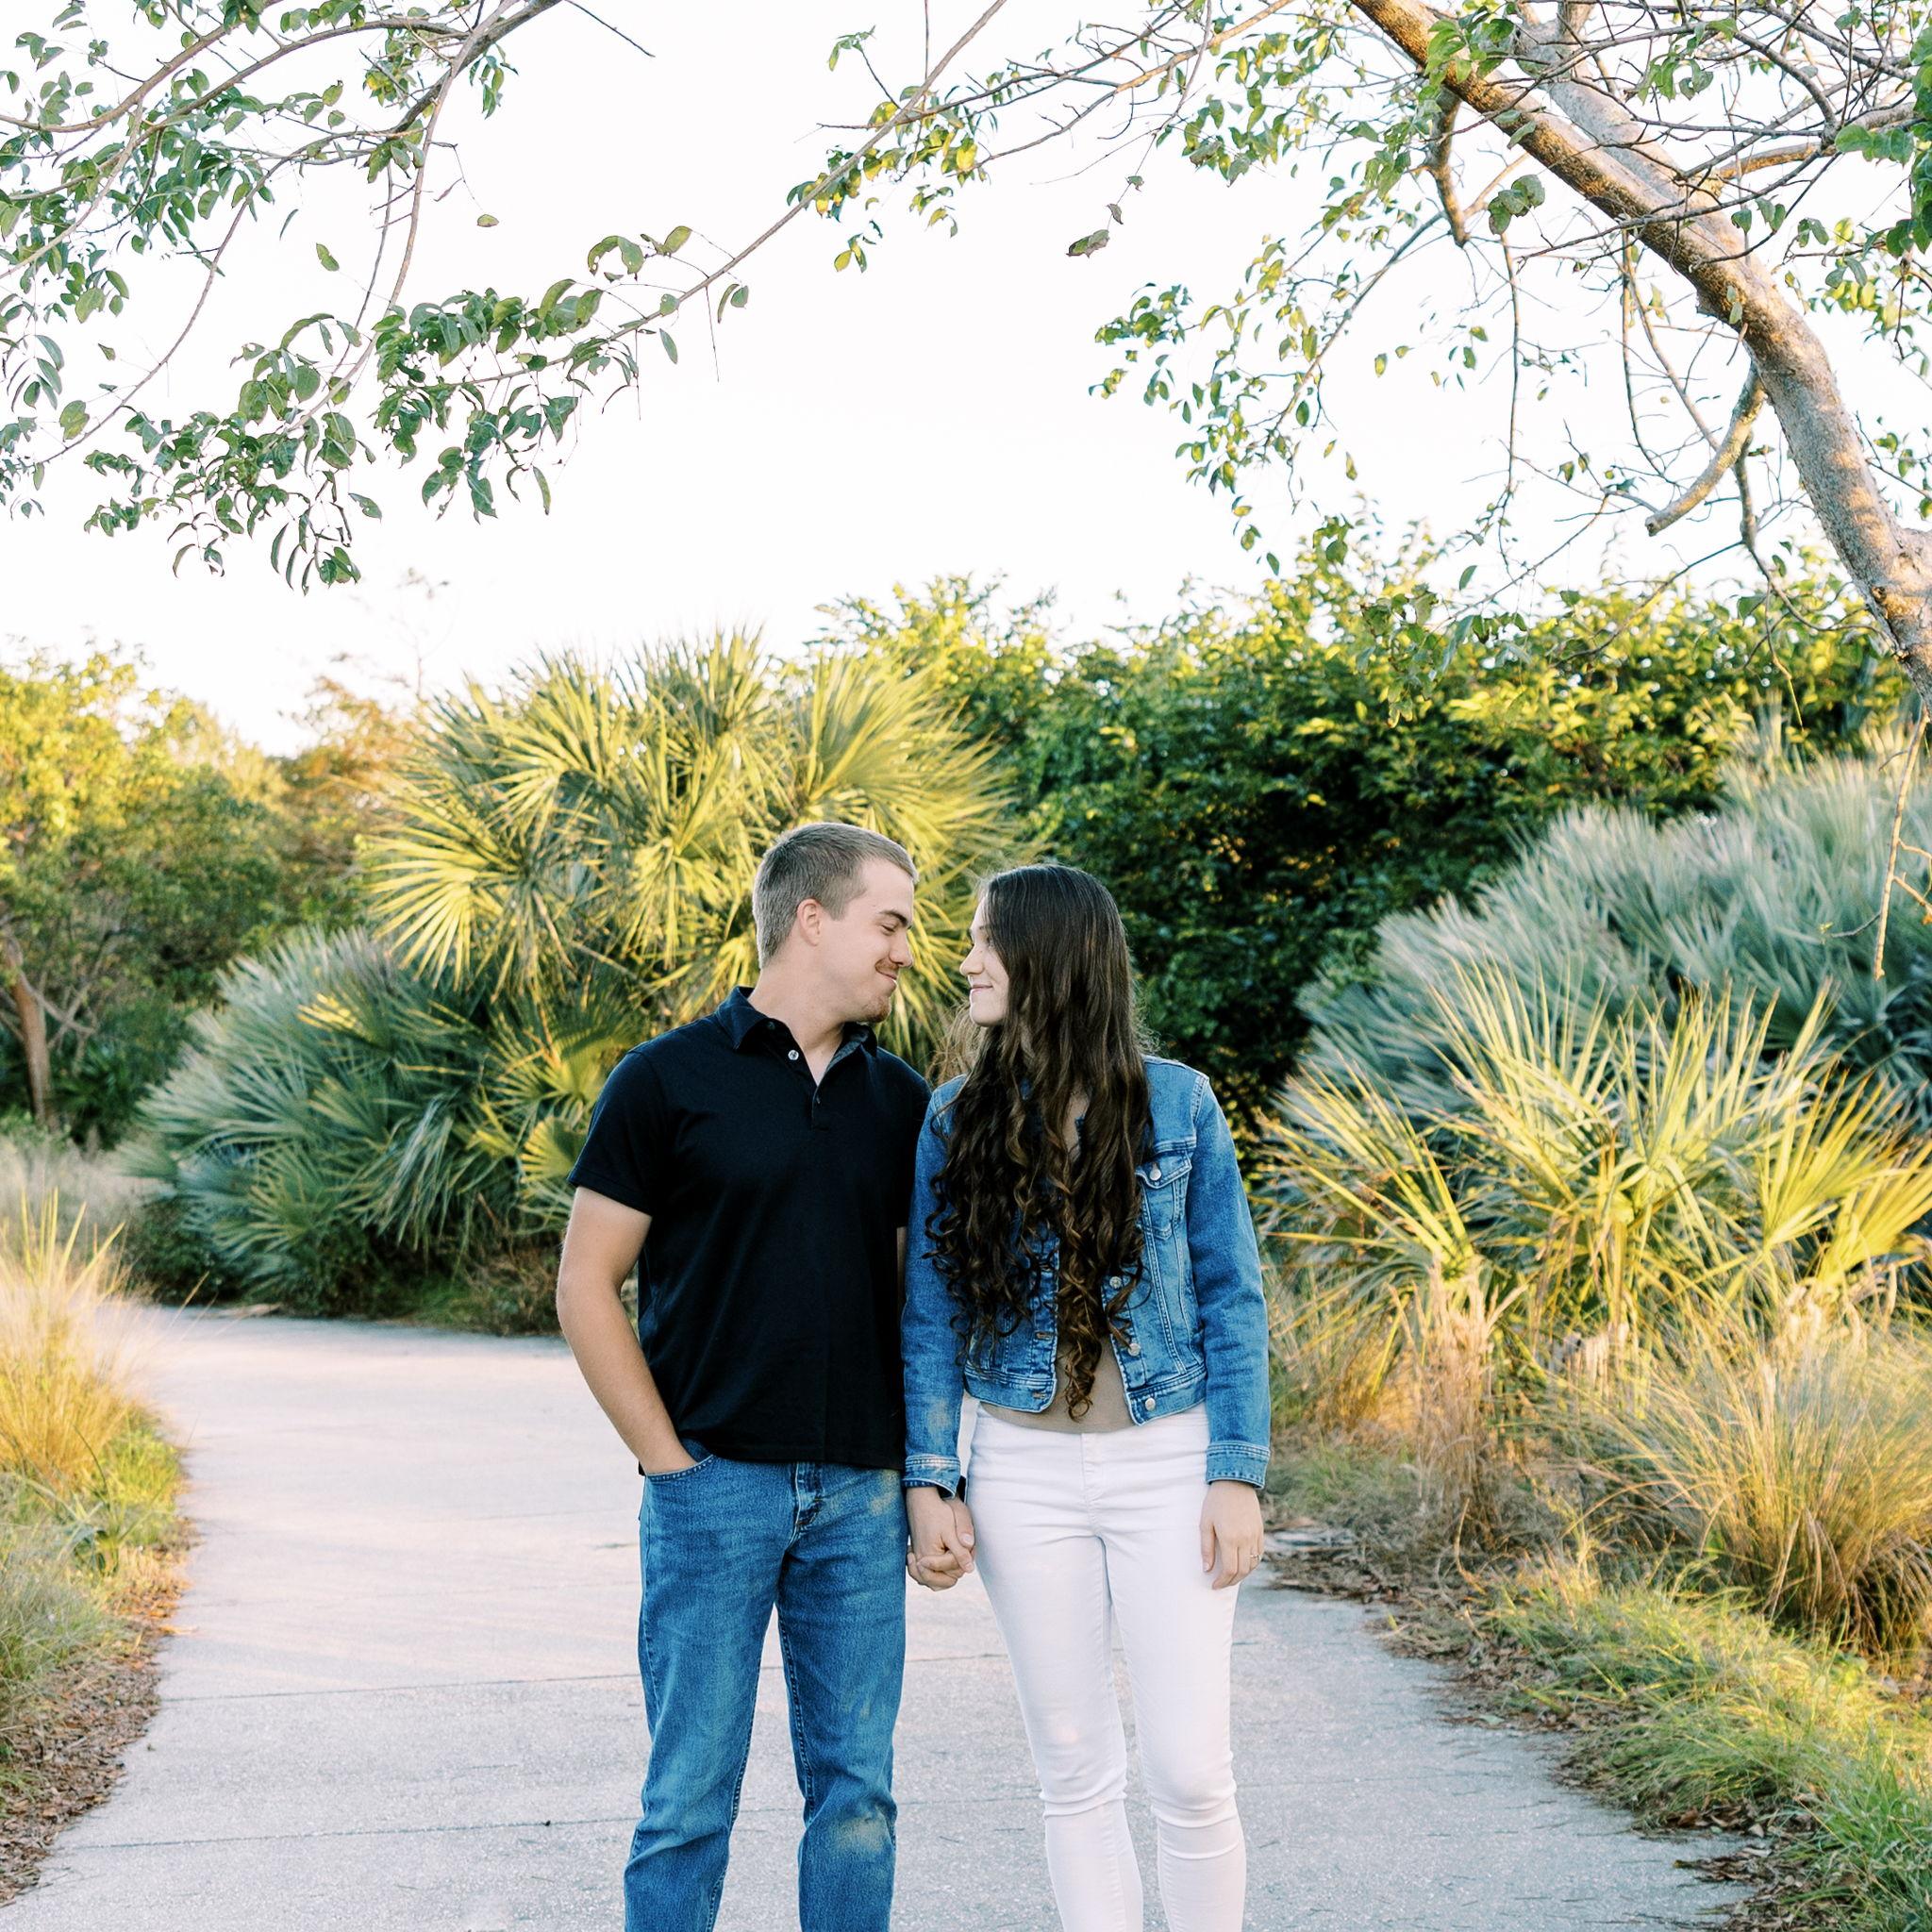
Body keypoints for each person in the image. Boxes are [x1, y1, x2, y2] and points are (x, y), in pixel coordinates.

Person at [555, 822, 930, 1932]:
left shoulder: (900, 1101)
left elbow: (917, 1307)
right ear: (811, 918)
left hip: (860, 1497)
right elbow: (585, 1283)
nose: (905, 949)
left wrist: (924, 1476)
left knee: (857, 1798)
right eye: (890, 922)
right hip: (711, 1486)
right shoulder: (664, 1079)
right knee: (686, 1802)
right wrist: (666, 1461)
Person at [901, 862, 1271, 1932]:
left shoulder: (1180, 1103)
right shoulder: (953, 1120)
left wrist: (1235, 1473)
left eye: (985, 939)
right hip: (1020, 1471)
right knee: (1071, 1767)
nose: (967, 959)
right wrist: (930, 1481)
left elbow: (1232, 1295)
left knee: (1190, 1769)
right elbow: (930, 1316)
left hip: (1170, 1460)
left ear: (1048, 956)